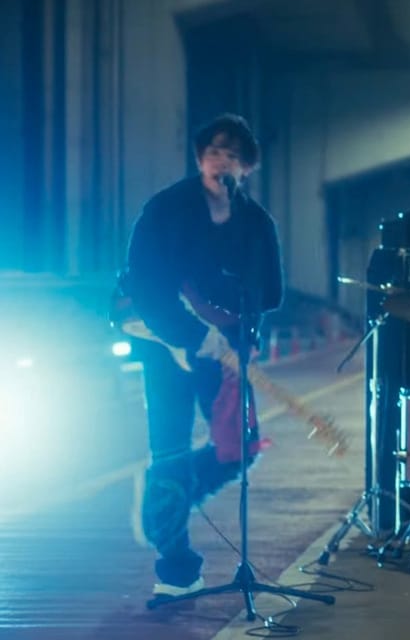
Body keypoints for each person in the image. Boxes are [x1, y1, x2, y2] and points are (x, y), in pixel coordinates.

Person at [123, 113, 284, 598]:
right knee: (170, 448)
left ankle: (165, 499)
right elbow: (144, 283)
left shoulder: (256, 223)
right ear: (199, 158)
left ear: (246, 167)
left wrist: (244, 335)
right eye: (214, 152)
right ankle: (176, 570)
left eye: (233, 155)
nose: (222, 161)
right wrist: (191, 335)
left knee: (241, 448)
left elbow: (268, 292)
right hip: (165, 343)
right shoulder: (166, 209)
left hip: (227, 349)